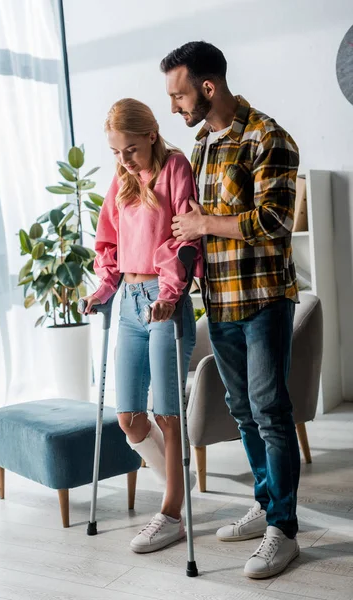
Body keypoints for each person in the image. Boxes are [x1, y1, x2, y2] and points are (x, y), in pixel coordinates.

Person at [160, 41, 301, 579]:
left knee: (270, 411)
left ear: (208, 87)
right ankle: (268, 506)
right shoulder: (201, 146)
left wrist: (202, 224)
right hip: (218, 301)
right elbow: (193, 221)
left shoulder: (269, 137)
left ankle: (283, 531)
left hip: (264, 299)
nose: (176, 106)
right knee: (243, 411)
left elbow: (275, 222)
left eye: (179, 95)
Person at [79, 98, 203, 554]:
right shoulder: (122, 179)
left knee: (168, 415)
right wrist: (103, 288)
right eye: (115, 152)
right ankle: (178, 479)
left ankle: (171, 514)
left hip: (164, 301)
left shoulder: (175, 169)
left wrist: (170, 295)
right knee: (130, 419)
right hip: (129, 304)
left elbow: (182, 238)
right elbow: (108, 239)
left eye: (129, 149)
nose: (123, 160)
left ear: (151, 134)